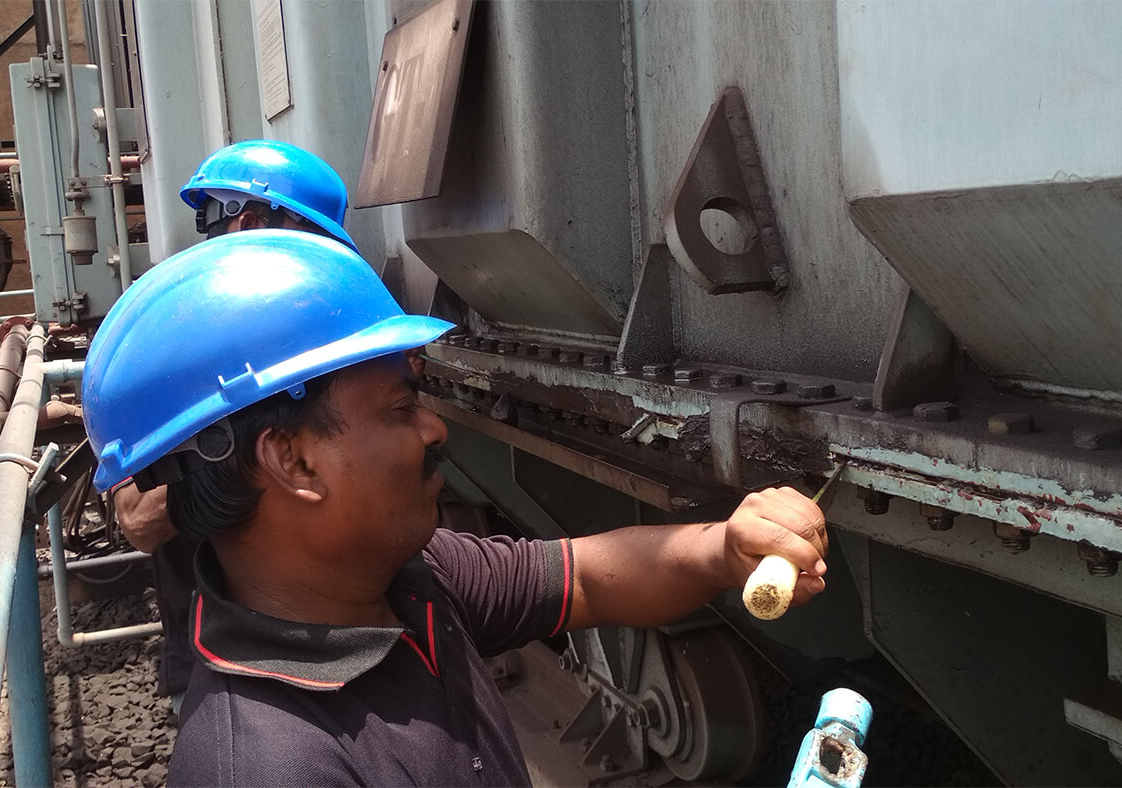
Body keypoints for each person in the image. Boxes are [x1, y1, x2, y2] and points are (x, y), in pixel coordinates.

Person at [83, 231, 830, 787]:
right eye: (403, 408)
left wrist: (724, 548)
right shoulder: (266, 763)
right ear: (295, 459)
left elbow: (588, 579)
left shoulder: (410, 581)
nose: (435, 428)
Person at [111, 139, 358, 711]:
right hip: (222, 668)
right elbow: (138, 518)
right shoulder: (176, 340)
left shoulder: (347, 336)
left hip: (339, 651)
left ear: (244, 219)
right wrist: (242, 462)